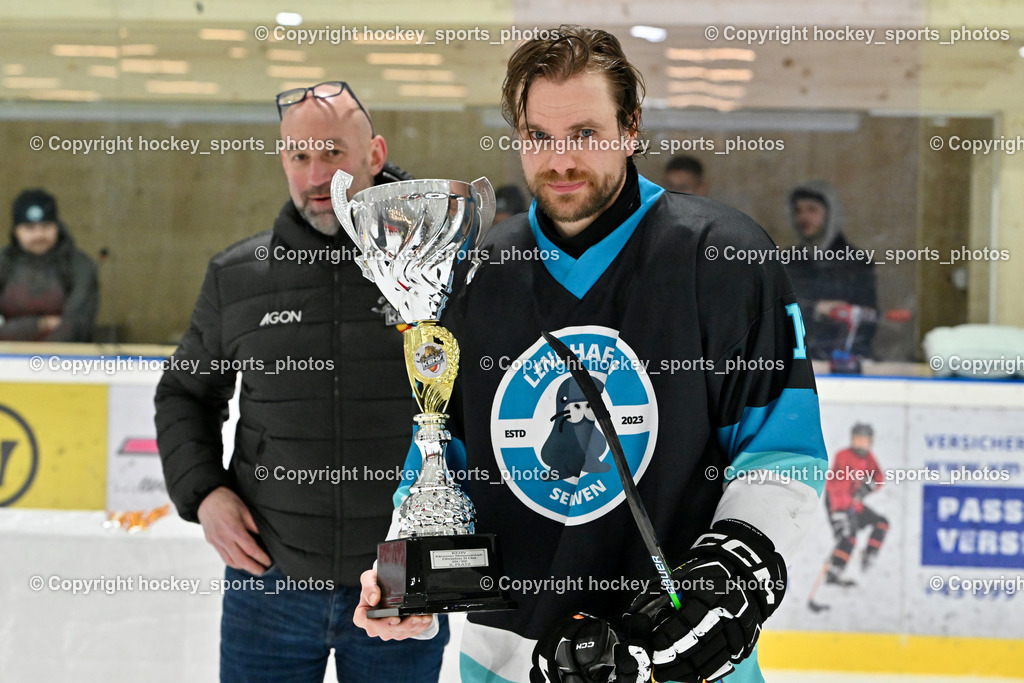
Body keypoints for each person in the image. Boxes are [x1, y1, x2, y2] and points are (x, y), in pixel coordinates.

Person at [355, 27, 828, 683]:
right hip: (510, 660)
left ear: (631, 127)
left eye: (585, 133)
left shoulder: (720, 257)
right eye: (539, 136)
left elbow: (781, 449)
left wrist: (731, 570)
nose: (561, 160)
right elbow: (444, 456)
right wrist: (409, 576)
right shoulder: (475, 275)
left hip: (676, 659)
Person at [155, 81, 448, 682]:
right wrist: (204, 493)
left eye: (333, 153)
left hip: (398, 576)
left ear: (374, 154)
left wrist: (446, 560)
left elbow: (477, 412)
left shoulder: (438, 268)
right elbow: (184, 393)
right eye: (298, 157)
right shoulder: (238, 277)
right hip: (271, 580)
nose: (316, 175)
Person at [785, 181, 877, 361]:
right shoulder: (787, 261)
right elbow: (777, 313)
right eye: (798, 210)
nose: (803, 217)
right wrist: (815, 310)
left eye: (812, 210)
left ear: (831, 214)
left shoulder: (856, 262)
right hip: (797, 361)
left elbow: (869, 320)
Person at [0, 188, 98, 341]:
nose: (39, 235)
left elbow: (78, 324)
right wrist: (40, 324)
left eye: (46, 226)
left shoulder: (78, 266)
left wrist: (42, 360)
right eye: (29, 228)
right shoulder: (3, 264)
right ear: (16, 231)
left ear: (57, 227)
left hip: (64, 360)